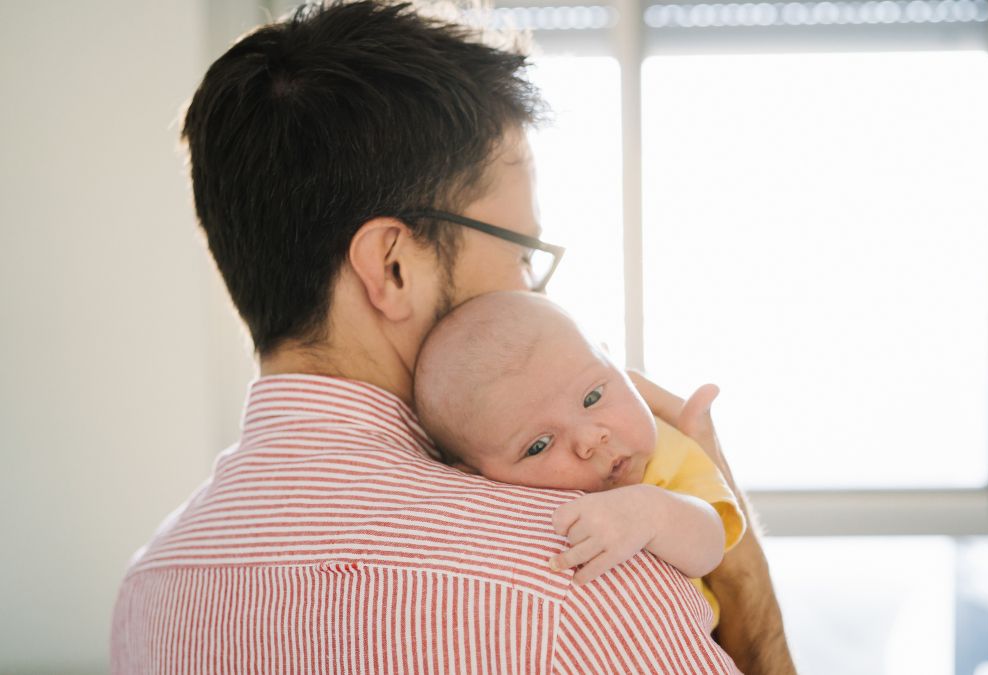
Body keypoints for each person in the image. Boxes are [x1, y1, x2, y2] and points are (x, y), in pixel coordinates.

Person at [110, 1, 795, 673]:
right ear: (393, 267)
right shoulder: (583, 572)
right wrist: (742, 576)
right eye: (520, 252)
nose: (531, 292)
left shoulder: (148, 591)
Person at [413, 291, 745, 629]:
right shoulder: (498, 518)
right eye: (539, 445)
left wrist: (652, 512)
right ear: (474, 478)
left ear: (619, 369)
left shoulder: (668, 451)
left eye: (593, 396)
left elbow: (712, 545)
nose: (589, 440)